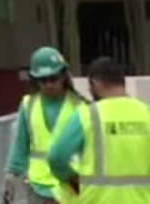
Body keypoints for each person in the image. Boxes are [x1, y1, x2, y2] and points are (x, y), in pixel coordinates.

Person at [45, 57, 150, 204]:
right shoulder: (146, 113)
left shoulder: (87, 115)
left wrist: (72, 179)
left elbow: (57, 157)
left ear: (94, 83)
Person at [7, 46, 90, 204]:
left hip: (70, 184)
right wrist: (11, 172)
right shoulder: (28, 105)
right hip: (39, 185)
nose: (49, 84)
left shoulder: (80, 106)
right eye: (43, 80)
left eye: (53, 78)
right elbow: (20, 143)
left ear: (64, 76)